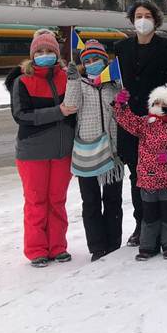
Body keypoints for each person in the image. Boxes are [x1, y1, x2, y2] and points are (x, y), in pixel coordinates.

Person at [114, 0, 167, 248]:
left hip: (160, 125)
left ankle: (166, 225)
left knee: (163, 176)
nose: (142, 20)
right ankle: (143, 224)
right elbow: (116, 81)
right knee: (137, 176)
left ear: (156, 20)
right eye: (138, 16)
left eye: (147, 15)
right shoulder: (121, 48)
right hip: (132, 124)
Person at [9, 29, 76, 267]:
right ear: (32, 55)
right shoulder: (22, 81)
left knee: (57, 201)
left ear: (57, 54)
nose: (44, 55)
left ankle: (58, 246)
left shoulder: (67, 78)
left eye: (49, 51)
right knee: (36, 202)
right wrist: (58, 112)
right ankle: (36, 249)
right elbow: (21, 115)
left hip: (62, 151)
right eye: (40, 51)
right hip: (33, 153)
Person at [113, 82, 167, 261]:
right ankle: (148, 245)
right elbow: (127, 120)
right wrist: (121, 105)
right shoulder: (144, 123)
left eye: (163, 104)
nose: (158, 107)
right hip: (148, 179)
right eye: (156, 103)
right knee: (149, 214)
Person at [64, 39, 124, 261]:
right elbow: (70, 106)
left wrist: (122, 87)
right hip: (86, 152)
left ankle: (114, 243)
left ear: (104, 61)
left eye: (96, 59)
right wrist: (72, 81)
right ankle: (97, 247)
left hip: (112, 152)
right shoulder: (80, 84)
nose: (91, 64)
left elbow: (124, 108)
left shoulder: (113, 84)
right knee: (90, 203)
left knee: (113, 200)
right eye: (87, 61)